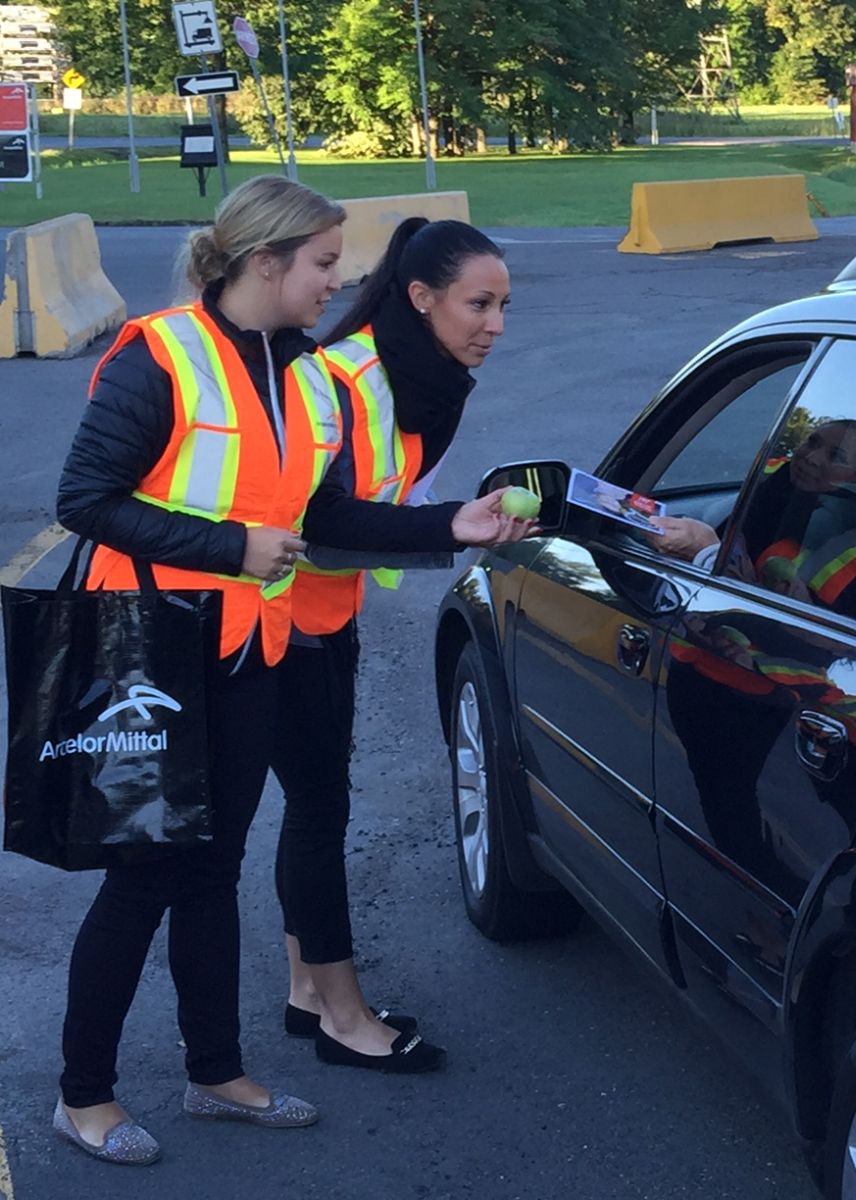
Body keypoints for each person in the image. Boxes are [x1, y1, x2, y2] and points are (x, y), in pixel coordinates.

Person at [51, 176, 532, 1164]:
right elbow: (85, 497)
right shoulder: (161, 354)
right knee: (143, 877)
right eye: (323, 263)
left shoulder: (307, 375)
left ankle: (216, 1073)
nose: (337, 283)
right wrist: (231, 548)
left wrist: (453, 523)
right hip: (145, 653)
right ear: (265, 262)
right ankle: (83, 1095)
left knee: (214, 869)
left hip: (248, 649)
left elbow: (327, 517)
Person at [272, 217, 510, 1073]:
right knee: (317, 813)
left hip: (323, 614)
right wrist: (449, 525)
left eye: (504, 306)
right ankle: (343, 1015)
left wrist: (452, 519)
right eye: (478, 304)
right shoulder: (340, 378)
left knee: (311, 809)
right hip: (269, 621)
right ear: (420, 298)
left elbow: (391, 505)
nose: (495, 325)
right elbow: (322, 519)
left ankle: (308, 992)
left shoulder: (432, 385)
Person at [652, 418, 856, 615]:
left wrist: (707, 554)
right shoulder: (771, 477)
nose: (811, 457)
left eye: (836, 456)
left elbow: (818, 642)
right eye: (812, 442)